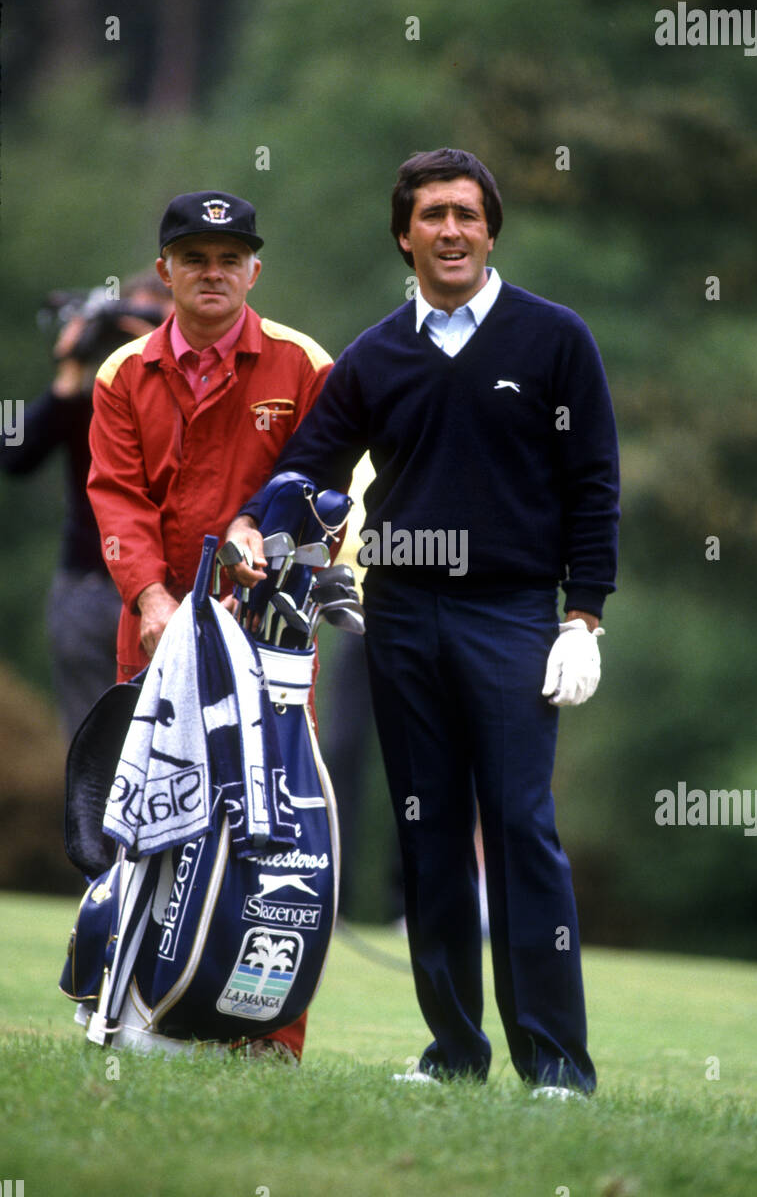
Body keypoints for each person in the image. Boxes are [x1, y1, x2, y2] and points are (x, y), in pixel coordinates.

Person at [225, 149, 620, 1096]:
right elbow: (310, 469)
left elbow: (593, 486)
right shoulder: (374, 356)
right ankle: (453, 1053)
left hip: (512, 616)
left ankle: (556, 1065)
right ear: (404, 235)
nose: (451, 231)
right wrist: (251, 522)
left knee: (520, 829)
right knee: (427, 834)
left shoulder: (554, 339)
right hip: (399, 615)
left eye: (467, 215)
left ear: (491, 230)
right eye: (432, 215)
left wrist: (583, 616)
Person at [87, 190, 334, 1063]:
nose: (213, 272)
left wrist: (265, 561)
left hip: (268, 635)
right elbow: (116, 497)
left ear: (254, 269)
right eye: (194, 257)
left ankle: (266, 1037)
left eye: (230, 258)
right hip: (153, 633)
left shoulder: (303, 363)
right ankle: (133, 1014)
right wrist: (152, 598)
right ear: (165, 272)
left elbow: (329, 486)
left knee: (273, 830)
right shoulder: (121, 372)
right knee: (144, 822)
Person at [0, 272, 171, 740]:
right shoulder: (91, 397)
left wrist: (159, 360)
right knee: (93, 748)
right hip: (88, 589)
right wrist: (69, 371)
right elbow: (13, 453)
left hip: (167, 592)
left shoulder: (191, 395)